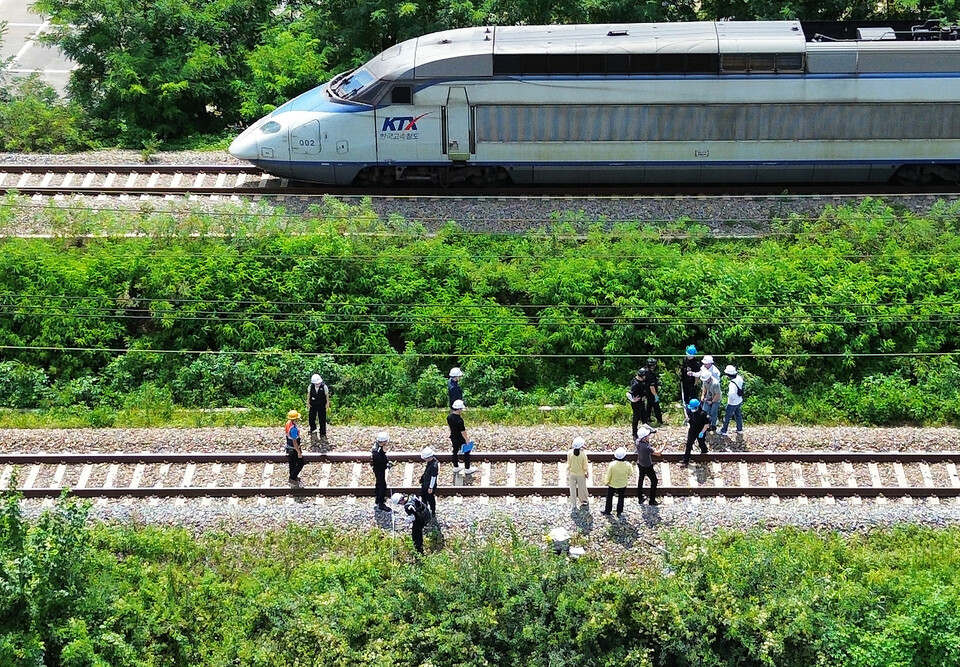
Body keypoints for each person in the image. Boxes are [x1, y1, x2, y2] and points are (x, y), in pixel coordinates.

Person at [635, 425, 664, 505]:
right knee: (654, 481)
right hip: (647, 466)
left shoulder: (637, 441)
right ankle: (652, 500)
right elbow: (658, 454)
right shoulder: (647, 447)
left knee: (641, 479)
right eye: (647, 436)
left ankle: (640, 498)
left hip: (640, 463)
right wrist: (664, 445)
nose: (649, 436)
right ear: (644, 438)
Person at [601, 447, 632, 517]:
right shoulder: (627, 465)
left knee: (609, 497)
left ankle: (608, 510)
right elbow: (630, 473)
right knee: (621, 497)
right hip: (623, 484)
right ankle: (619, 511)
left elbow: (609, 474)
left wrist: (606, 482)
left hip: (612, 484)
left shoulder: (612, 464)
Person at [447, 399, 475, 474]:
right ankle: (467, 468)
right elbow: (463, 432)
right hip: (460, 439)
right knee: (466, 452)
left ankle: (456, 466)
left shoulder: (449, 417)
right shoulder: (460, 420)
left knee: (455, 451)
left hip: (453, 437)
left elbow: (450, 428)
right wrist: (467, 440)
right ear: (459, 409)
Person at [371, 431, 393, 512]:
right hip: (379, 469)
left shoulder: (377, 447)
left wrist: (387, 461)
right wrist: (386, 464)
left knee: (378, 483)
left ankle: (378, 498)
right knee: (382, 485)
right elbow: (380, 460)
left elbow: (383, 456)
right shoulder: (377, 451)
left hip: (378, 468)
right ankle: (381, 503)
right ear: (383, 442)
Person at [683, 399, 710, 466]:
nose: (692, 409)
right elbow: (689, 417)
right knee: (689, 444)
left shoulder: (703, 414)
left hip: (700, 431)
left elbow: (707, 424)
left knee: (701, 443)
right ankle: (685, 460)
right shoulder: (690, 411)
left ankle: (705, 454)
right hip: (692, 430)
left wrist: (702, 432)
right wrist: (686, 420)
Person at [720, 365, 745, 435]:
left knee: (727, 416)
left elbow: (731, 394)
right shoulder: (740, 378)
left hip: (732, 403)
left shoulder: (732, 384)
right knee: (738, 415)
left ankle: (724, 430)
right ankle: (739, 429)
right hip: (739, 400)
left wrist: (730, 401)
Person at [566, 436, 590, 509]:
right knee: (582, 488)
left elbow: (568, 464)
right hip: (580, 474)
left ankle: (573, 504)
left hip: (572, 473)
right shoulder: (583, 455)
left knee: (572, 489)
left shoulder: (570, 453)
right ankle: (584, 501)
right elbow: (585, 466)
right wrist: (587, 472)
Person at [680, 346, 701, 423]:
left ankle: (693, 412)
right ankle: (687, 410)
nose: (688, 356)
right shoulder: (685, 360)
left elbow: (697, 375)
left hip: (692, 383)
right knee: (685, 396)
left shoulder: (696, 363)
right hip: (685, 381)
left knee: (692, 396)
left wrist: (696, 383)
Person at [284, 409, 305, 486]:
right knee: (301, 463)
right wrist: (299, 452)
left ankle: (293, 477)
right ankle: (292, 477)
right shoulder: (293, 429)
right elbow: (294, 441)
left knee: (292, 463)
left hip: (289, 447)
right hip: (294, 448)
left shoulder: (288, 423)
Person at [627, 367, 649, 439]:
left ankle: (646, 430)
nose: (645, 377)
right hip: (637, 404)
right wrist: (633, 400)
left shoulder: (639, 381)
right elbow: (628, 394)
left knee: (644, 417)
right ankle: (634, 433)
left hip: (641, 402)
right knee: (636, 418)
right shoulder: (635, 384)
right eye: (644, 376)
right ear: (641, 376)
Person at [306, 374, 330, 438]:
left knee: (322, 418)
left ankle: (322, 432)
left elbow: (327, 395)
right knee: (311, 417)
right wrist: (307, 402)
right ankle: (313, 428)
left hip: (321, 404)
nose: (318, 384)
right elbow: (308, 394)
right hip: (313, 404)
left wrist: (327, 403)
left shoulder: (324, 386)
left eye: (318, 383)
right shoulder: (310, 387)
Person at [643, 357, 664, 426]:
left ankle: (646, 419)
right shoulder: (650, 374)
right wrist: (655, 395)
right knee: (656, 407)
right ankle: (660, 421)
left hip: (646, 392)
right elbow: (651, 387)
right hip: (651, 393)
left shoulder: (645, 371)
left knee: (649, 406)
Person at [419, 447, 439, 517]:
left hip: (429, 486)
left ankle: (432, 511)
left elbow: (433, 477)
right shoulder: (431, 462)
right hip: (425, 484)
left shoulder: (434, 466)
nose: (424, 460)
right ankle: (425, 510)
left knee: (430, 499)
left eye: (425, 458)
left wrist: (430, 487)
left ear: (428, 457)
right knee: (424, 498)